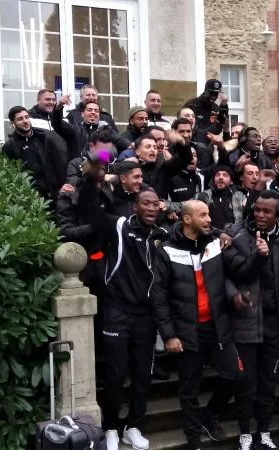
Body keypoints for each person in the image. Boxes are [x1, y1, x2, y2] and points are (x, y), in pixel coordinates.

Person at [150, 200, 266, 450]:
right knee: (189, 389)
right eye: (203, 215)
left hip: (217, 328)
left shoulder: (216, 243)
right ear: (187, 219)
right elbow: (158, 297)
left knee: (237, 375)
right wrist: (169, 335)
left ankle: (209, 415)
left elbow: (242, 272)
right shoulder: (167, 250)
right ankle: (194, 439)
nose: (209, 219)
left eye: (209, 214)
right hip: (186, 331)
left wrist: (260, 256)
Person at [76, 164, 167, 450]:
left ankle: (134, 426)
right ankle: (111, 427)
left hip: (147, 315)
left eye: (155, 204)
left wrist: (222, 234)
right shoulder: (118, 226)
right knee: (116, 374)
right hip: (117, 310)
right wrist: (94, 173)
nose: (151, 208)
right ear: (135, 207)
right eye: (145, 203)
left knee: (142, 375)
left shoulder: (163, 234)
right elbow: (88, 205)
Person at [225, 191, 279, 450]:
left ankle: (264, 432)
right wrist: (236, 295)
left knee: (269, 380)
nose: (259, 214)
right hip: (246, 320)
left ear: (278, 213)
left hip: (274, 321)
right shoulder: (237, 237)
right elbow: (234, 274)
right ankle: (245, 434)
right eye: (257, 209)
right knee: (246, 382)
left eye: (266, 211)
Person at [1, 106, 67, 211]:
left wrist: (61, 186)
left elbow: (59, 164)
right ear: (13, 123)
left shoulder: (44, 139)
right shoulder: (10, 146)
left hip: (53, 193)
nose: (25, 121)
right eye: (20, 119)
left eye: (26, 117)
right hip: (30, 196)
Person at [51, 95, 112, 162]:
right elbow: (57, 123)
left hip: (98, 169)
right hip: (78, 169)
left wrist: (104, 163)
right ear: (82, 114)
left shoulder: (106, 131)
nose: (93, 112)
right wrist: (59, 107)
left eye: (96, 111)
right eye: (89, 110)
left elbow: (109, 152)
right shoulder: (75, 129)